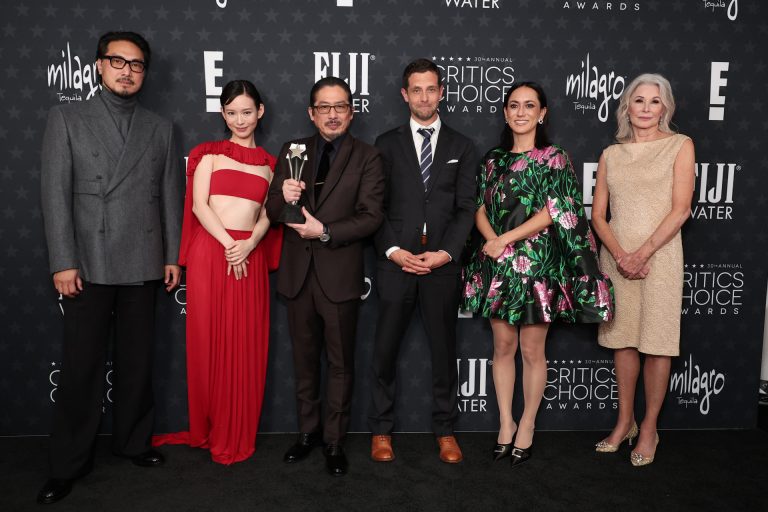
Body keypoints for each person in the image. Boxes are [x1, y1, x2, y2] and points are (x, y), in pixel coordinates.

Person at [38, 31, 183, 504]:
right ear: (99, 66)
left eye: (136, 64)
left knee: (137, 361)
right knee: (81, 366)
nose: (127, 71)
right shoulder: (66, 118)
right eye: (118, 61)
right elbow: (54, 196)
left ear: (145, 73)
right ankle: (68, 463)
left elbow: (169, 197)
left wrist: (171, 256)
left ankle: (134, 442)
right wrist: (63, 260)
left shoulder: (161, 128)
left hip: (143, 258)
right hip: (88, 261)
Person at [462, 82, 614, 467]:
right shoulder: (492, 159)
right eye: (514, 105)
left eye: (529, 106)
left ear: (542, 113)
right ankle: (506, 422)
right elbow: (477, 207)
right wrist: (492, 241)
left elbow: (554, 211)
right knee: (502, 347)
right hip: (497, 264)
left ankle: (527, 423)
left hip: (537, 265)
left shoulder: (554, 157)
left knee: (532, 351)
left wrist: (505, 239)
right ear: (505, 112)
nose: (521, 112)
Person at [152, 80, 281, 464]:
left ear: (260, 112)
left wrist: (250, 243)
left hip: (249, 255)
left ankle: (235, 428)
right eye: (231, 113)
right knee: (209, 340)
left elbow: (268, 214)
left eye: (247, 112)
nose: (239, 120)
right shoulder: (206, 154)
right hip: (213, 252)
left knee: (244, 343)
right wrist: (230, 245)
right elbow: (199, 206)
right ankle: (208, 426)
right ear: (223, 114)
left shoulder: (271, 166)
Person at [265, 77, 384, 476]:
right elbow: (272, 210)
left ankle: (334, 440)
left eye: (340, 106)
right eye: (324, 107)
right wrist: (284, 197)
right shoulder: (292, 150)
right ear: (311, 113)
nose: (332, 114)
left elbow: (371, 216)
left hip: (339, 275)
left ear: (351, 112)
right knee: (304, 362)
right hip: (298, 275)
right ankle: (307, 433)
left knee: (340, 364)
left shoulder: (368, 156)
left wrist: (326, 231)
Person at [368, 58, 477, 464]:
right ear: (405, 94)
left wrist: (445, 253)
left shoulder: (462, 146)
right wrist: (394, 251)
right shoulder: (385, 143)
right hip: (396, 263)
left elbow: (466, 208)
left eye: (431, 89)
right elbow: (375, 207)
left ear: (441, 92)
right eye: (417, 90)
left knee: (444, 351)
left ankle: (445, 430)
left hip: (442, 265)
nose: (424, 97)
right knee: (384, 350)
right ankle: (381, 430)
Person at [591, 73, 694, 466]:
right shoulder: (610, 154)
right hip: (617, 258)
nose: (647, 108)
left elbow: (681, 210)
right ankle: (625, 422)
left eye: (655, 101)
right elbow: (598, 216)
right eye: (639, 100)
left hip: (661, 258)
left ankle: (649, 427)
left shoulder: (680, 146)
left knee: (657, 342)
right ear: (627, 108)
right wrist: (621, 255)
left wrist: (643, 253)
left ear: (665, 108)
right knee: (623, 341)